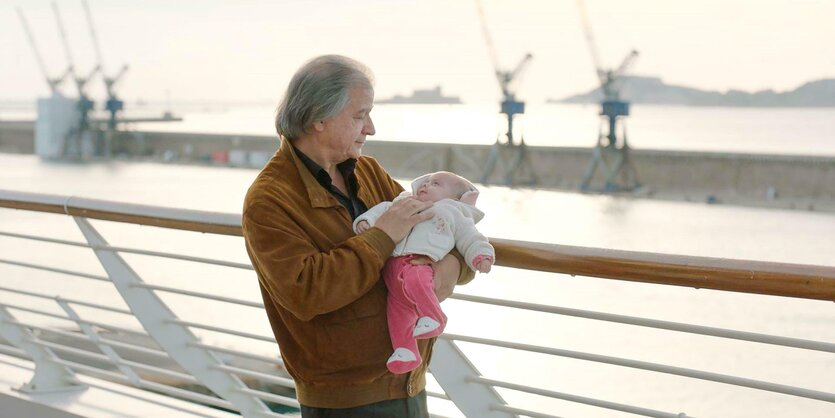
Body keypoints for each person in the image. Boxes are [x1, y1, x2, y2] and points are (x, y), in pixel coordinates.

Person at [242, 55, 476, 417]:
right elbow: (306, 291)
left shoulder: (368, 171)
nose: (370, 128)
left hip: (408, 378)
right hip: (344, 399)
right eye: (359, 116)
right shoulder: (269, 200)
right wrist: (383, 235)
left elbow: (441, 227)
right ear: (318, 118)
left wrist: (452, 268)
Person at [353, 171, 494, 374]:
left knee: (416, 282)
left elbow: (470, 237)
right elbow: (381, 210)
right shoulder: (403, 203)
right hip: (393, 270)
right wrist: (366, 222)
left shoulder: (451, 212)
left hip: (419, 264)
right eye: (425, 182)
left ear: (454, 199)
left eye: (435, 184)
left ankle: (434, 317)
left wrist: (481, 256)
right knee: (397, 313)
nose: (426, 185)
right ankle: (405, 350)